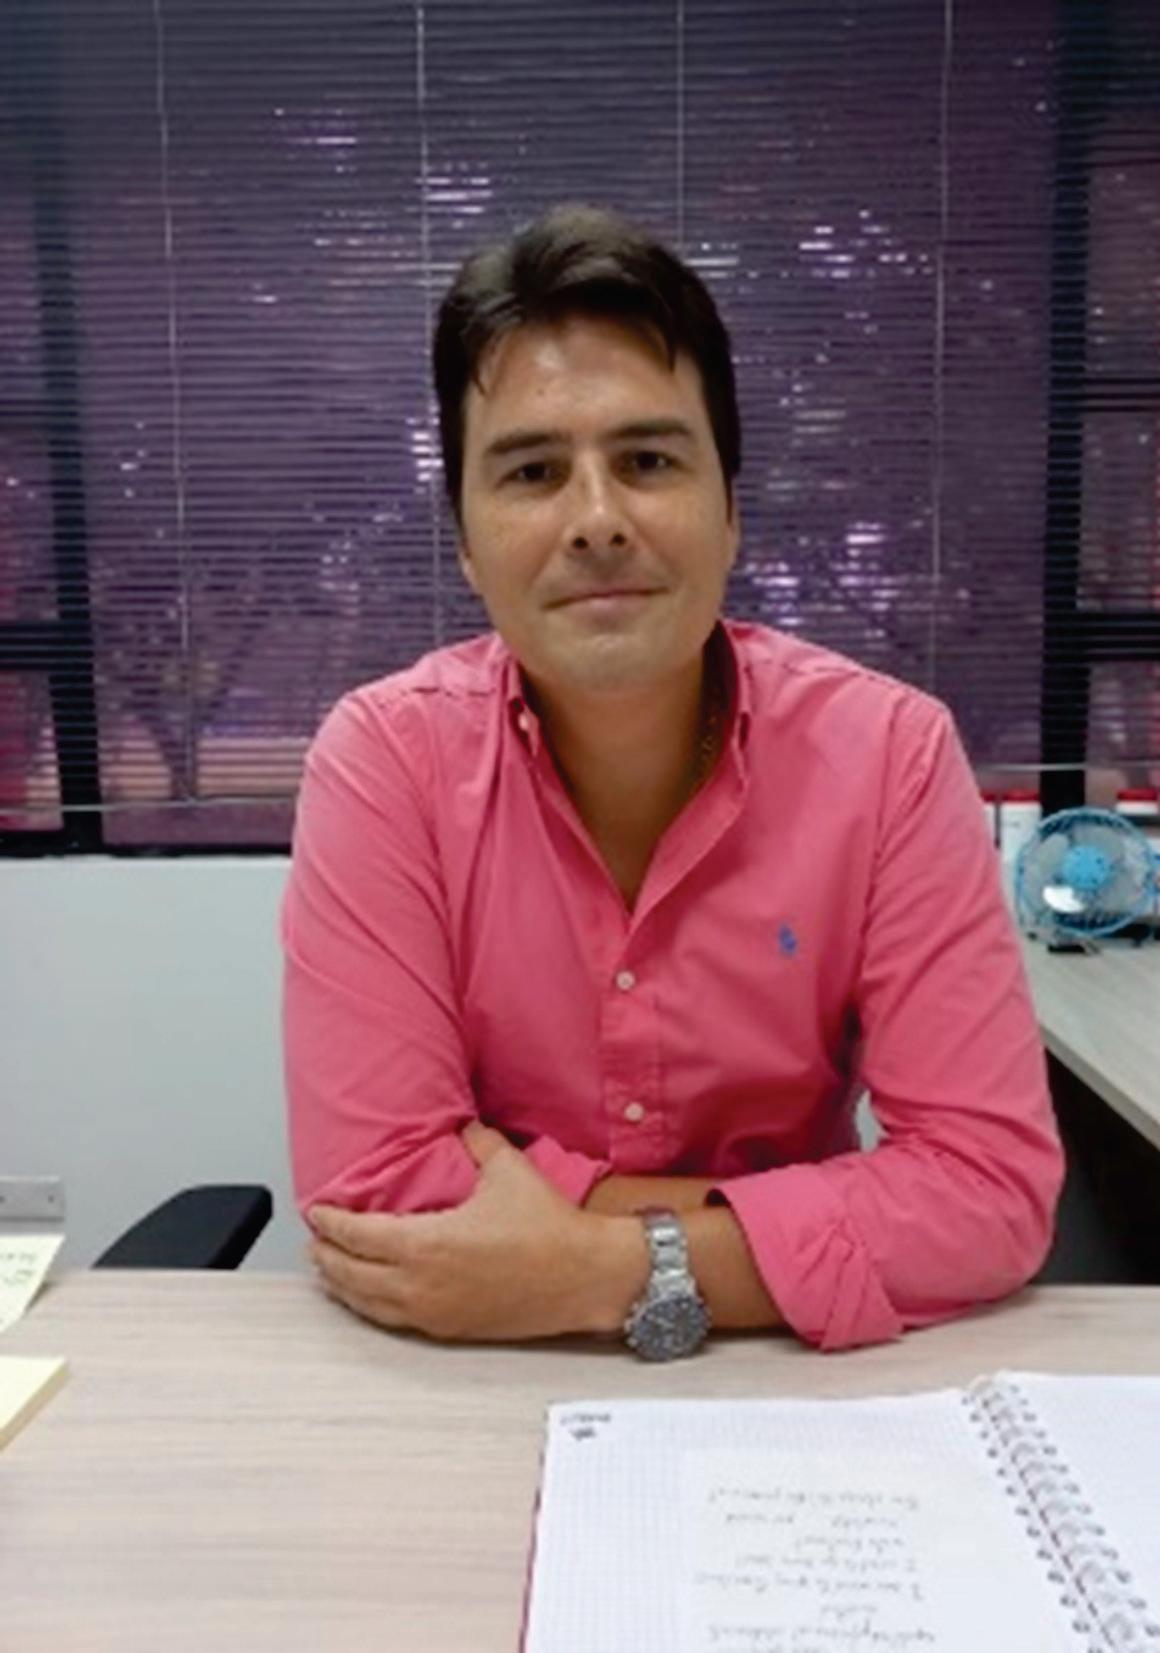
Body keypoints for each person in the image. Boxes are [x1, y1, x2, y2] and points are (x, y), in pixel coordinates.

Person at [281, 203, 1064, 1359]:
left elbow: (987, 1192)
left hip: (789, 1382)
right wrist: (803, 1230)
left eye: (647, 461)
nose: (597, 521)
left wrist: (600, 1268)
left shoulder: (889, 757)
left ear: (730, 510)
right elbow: (378, 1187)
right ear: (465, 542)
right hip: (479, 1378)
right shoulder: (384, 761)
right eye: (533, 472)